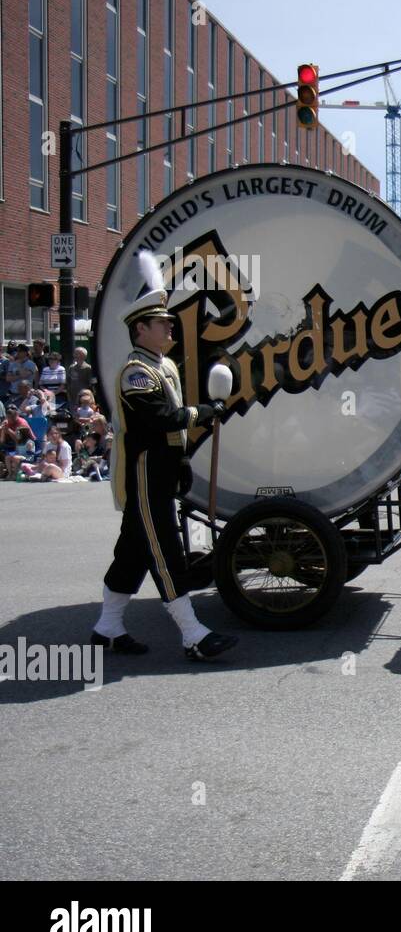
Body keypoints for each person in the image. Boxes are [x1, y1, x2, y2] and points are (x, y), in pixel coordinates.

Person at [91, 253, 238, 661]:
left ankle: (106, 628)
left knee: (133, 552)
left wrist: (183, 461)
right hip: (144, 472)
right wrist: (203, 412)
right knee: (165, 551)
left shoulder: (163, 367)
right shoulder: (137, 373)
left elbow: (170, 427)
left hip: (161, 468)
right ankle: (194, 635)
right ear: (141, 329)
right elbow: (161, 419)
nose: (170, 327)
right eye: (162, 323)